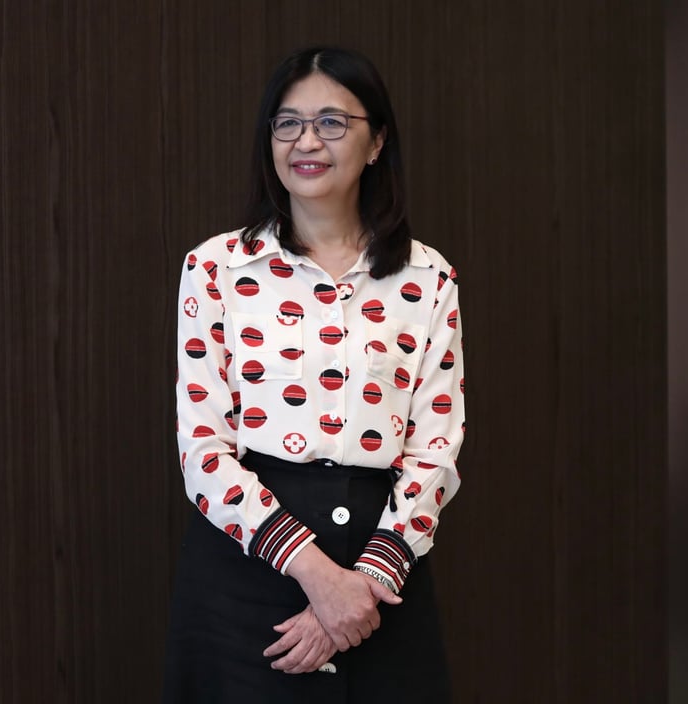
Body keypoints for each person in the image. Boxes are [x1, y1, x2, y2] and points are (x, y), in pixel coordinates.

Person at [163, 46, 465, 703]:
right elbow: (203, 451)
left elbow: (435, 449)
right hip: (247, 569)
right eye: (287, 122)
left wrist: (363, 585)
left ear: (377, 140)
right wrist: (320, 579)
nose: (306, 141)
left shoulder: (427, 276)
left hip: (383, 576)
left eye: (332, 122)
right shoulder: (216, 268)